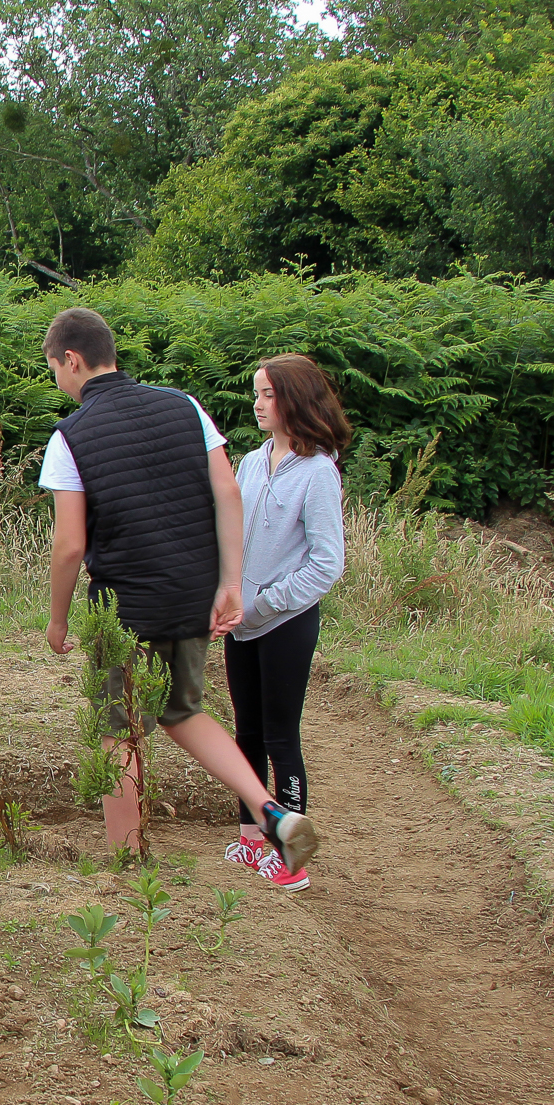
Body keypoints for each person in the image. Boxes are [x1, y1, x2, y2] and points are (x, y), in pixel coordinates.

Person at [38, 307, 318, 873]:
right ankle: (270, 813)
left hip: (124, 607)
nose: (59, 382)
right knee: (182, 709)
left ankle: (127, 861)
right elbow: (228, 494)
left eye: (55, 370)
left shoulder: (70, 436)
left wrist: (58, 620)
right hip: (192, 592)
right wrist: (230, 584)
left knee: (119, 730)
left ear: (72, 359)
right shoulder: (185, 406)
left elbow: (69, 546)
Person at [223, 354, 347, 891]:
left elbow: (327, 564)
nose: (258, 404)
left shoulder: (319, 472)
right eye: (257, 393)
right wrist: (224, 596)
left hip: (286, 624)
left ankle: (291, 857)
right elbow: (228, 534)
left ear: (295, 399)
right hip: (240, 622)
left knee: (280, 736)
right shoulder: (250, 463)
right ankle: (252, 839)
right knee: (244, 732)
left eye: (268, 394)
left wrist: (266, 603)